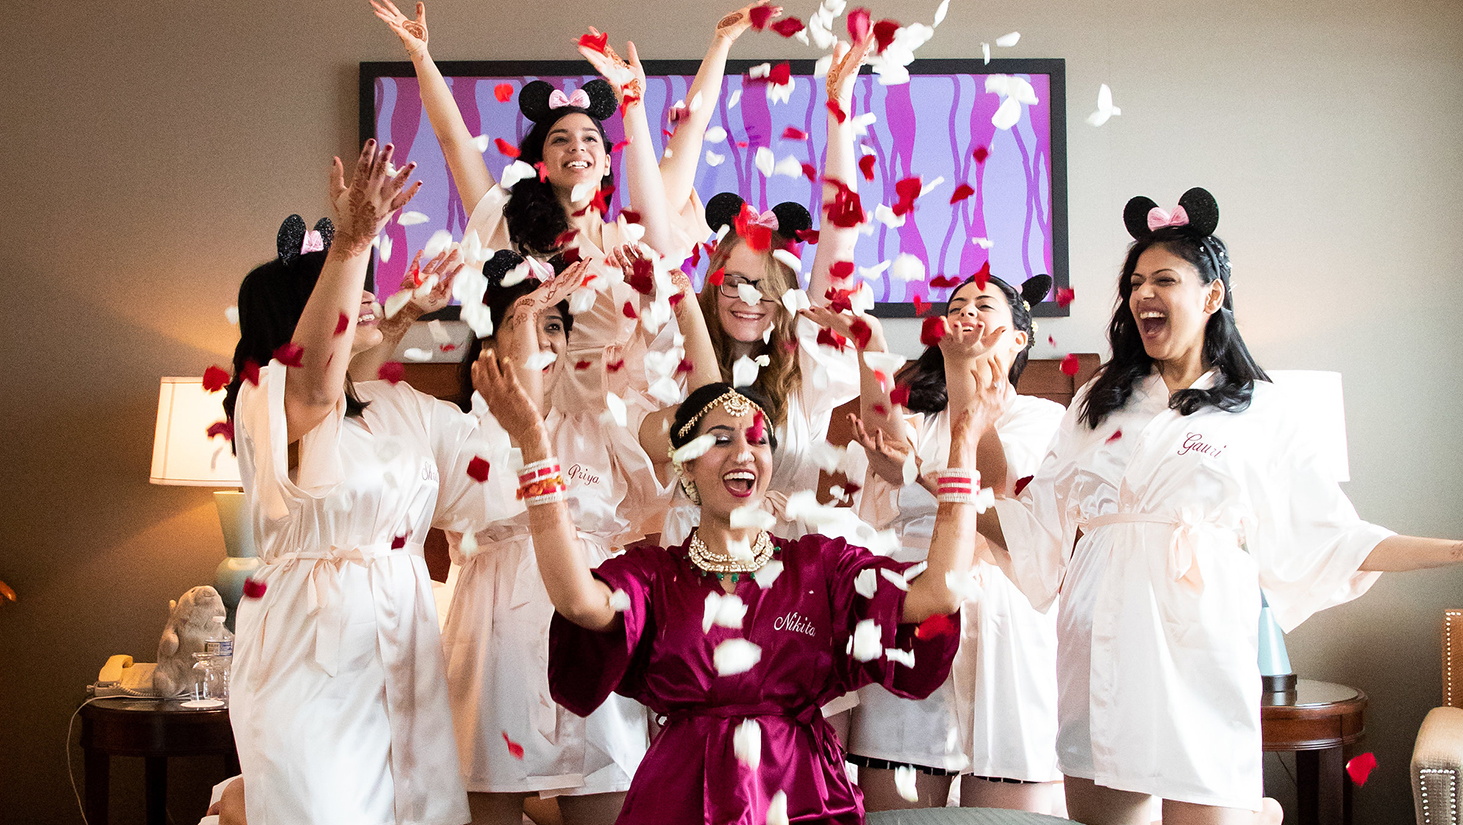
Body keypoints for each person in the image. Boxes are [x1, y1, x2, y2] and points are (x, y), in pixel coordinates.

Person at [979, 187, 1463, 825]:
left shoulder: (1262, 409)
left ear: (1211, 297)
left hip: (1197, 648)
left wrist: (1453, 551)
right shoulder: (1100, 398)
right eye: (1135, 282)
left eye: (1165, 280)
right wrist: (959, 467)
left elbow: (1335, 536)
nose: (1143, 294)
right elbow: (1034, 519)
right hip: (1098, 645)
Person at [474, 346, 1004, 822]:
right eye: (719, 440)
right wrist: (533, 445)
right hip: (680, 797)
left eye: (757, 440)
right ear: (685, 469)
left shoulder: (821, 567)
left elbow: (939, 593)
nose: (743, 452)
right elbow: (578, 602)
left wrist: (963, 445)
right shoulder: (657, 576)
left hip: (802, 797)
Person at [223, 141, 523, 825]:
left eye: (362, 279)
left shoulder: (394, 406)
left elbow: (490, 488)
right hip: (309, 651)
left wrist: (523, 345)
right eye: (342, 285)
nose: (365, 294)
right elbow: (315, 379)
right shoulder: (267, 399)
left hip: (403, 637)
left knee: (415, 808)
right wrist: (353, 238)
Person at [842, 272, 1067, 813]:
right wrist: (866, 342)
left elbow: (996, 488)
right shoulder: (923, 418)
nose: (967, 310)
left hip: (1001, 617)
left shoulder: (1044, 417)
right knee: (900, 803)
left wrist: (921, 464)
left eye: (983, 305)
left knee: (1002, 807)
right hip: (913, 605)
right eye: (958, 303)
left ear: (1019, 339)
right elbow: (890, 438)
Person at [652, 35, 877, 547]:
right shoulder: (673, 353)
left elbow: (841, 227)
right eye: (732, 282)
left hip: (782, 563)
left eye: (763, 286)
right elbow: (660, 199)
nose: (747, 298)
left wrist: (838, 109)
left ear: (788, 299)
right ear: (711, 284)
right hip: (689, 556)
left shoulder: (808, 372)